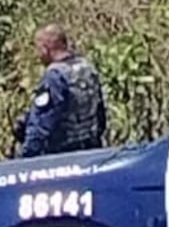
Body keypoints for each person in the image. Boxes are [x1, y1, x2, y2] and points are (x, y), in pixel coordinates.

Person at [19, 25, 108, 158]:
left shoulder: (54, 76)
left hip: (63, 156)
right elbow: (100, 113)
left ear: (46, 48)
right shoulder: (87, 68)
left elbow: (43, 121)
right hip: (91, 151)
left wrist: (27, 155)